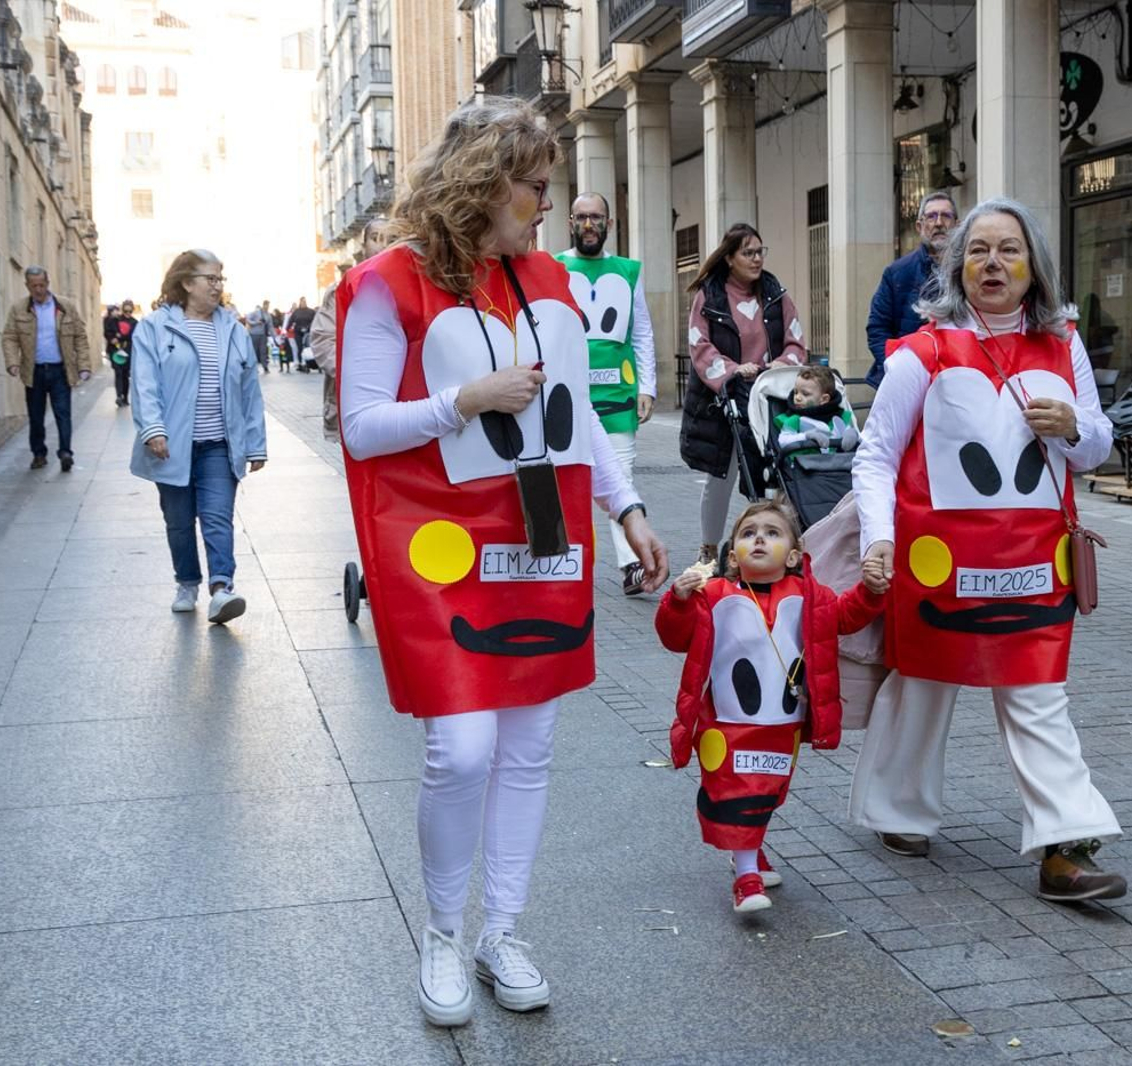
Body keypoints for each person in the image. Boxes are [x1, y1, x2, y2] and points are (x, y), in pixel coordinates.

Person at [335, 96, 669, 1029]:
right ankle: (444, 935)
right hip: (437, 541)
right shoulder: (386, 284)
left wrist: (629, 507)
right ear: (485, 180)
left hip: (539, 533)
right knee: (463, 745)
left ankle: (502, 931)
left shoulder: (549, 280)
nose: (547, 206)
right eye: (535, 186)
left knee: (529, 745)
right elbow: (361, 431)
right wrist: (464, 399)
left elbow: (584, 421)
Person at [849, 197, 1126, 902]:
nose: (993, 263)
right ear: (956, 265)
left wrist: (1072, 426)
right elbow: (876, 456)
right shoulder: (922, 351)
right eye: (978, 250)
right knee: (923, 682)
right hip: (937, 563)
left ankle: (1066, 842)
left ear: (1035, 266)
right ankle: (897, 809)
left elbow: (1097, 446)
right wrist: (878, 539)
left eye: (1009, 249)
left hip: (1034, 563)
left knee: (1037, 693)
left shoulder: (1064, 345)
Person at [657, 501, 886, 915]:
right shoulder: (713, 595)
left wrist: (871, 592)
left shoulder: (809, 596)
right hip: (726, 723)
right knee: (735, 791)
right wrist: (677, 600)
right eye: (748, 533)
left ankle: (750, 850)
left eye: (772, 532)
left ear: (795, 555)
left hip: (785, 722)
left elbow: (845, 617)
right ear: (732, 556)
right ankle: (746, 878)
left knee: (768, 790)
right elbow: (676, 637)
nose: (758, 538)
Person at [130, 250, 268, 624]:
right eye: (211, 279)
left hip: (219, 446)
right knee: (178, 521)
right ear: (187, 283)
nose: (218, 286)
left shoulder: (234, 330)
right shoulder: (155, 328)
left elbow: (248, 392)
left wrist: (255, 443)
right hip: (172, 445)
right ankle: (187, 582)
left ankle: (222, 589)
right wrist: (153, 428)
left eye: (221, 279)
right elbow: (144, 384)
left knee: (217, 517)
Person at [680, 223, 809, 566]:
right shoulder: (710, 296)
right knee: (721, 476)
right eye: (748, 253)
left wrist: (777, 366)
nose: (756, 259)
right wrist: (732, 370)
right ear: (730, 258)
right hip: (724, 400)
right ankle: (709, 547)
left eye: (759, 252)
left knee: (773, 472)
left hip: (768, 396)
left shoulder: (775, 293)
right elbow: (699, 345)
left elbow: (796, 342)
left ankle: (774, 543)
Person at [555, 191, 658, 596]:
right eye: (581, 217)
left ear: (609, 224)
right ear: (570, 222)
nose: (588, 225)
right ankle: (558, 561)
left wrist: (647, 386)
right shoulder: (554, 267)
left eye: (596, 217)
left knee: (620, 476)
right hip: (568, 392)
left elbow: (642, 331)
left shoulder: (629, 270)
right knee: (563, 479)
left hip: (618, 393)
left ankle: (631, 564)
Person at [312, 218, 396, 442]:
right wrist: (357, 376)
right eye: (376, 238)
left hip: (401, 406)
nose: (383, 244)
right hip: (355, 401)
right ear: (364, 244)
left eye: (391, 239)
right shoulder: (344, 289)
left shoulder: (410, 286)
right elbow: (323, 339)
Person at [1, 266, 93, 471]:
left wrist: (84, 366)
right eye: (34, 286)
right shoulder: (19, 309)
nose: (39, 290)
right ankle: (39, 453)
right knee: (36, 416)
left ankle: (65, 452)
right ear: (27, 286)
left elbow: (80, 336)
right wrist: (12, 362)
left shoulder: (65, 306)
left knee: (63, 413)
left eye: (42, 285)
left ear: (48, 284)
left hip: (60, 370)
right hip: (34, 372)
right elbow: (9, 337)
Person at [865, 191, 957, 388]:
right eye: (931, 216)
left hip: (957, 379)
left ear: (957, 224)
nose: (939, 223)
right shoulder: (897, 273)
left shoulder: (970, 270)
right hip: (905, 381)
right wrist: (898, 369)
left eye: (946, 216)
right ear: (919, 226)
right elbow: (878, 329)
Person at [773, 365, 857, 454]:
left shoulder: (839, 416)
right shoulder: (795, 419)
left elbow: (845, 429)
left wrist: (850, 434)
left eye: (805, 394)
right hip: (805, 463)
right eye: (796, 392)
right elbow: (783, 441)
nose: (797, 397)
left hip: (836, 462)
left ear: (824, 399)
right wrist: (806, 436)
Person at [103, 299, 138, 407]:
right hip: (116, 350)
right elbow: (108, 331)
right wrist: (111, 338)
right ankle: (119, 396)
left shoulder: (135, 322)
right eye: (126, 311)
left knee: (125, 374)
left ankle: (125, 397)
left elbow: (134, 337)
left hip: (127, 350)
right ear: (123, 309)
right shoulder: (115, 320)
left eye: (130, 311)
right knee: (118, 372)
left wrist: (121, 337)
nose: (128, 313)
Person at [284, 298, 316, 370]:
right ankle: (301, 363)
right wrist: (287, 329)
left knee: (308, 347)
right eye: (302, 302)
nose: (303, 303)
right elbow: (291, 320)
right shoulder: (296, 312)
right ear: (300, 303)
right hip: (298, 331)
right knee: (299, 347)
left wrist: (309, 328)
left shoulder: (311, 311)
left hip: (308, 332)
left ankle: (309, 363)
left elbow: (315, 320)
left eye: (304, 302)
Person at [245, 301, 271, 372]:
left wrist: (275, 337)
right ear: (263, 305)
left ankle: (265, 366)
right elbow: (247, 319)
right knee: (254, 351)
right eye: (266, 305)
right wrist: (256, 322)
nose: (267, 307)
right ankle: (254, 367)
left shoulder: (268, 315)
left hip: (263, 335)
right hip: (254, 334)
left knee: (263, 351)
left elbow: (270, 326)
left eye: (268, 306)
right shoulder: (256, 312)